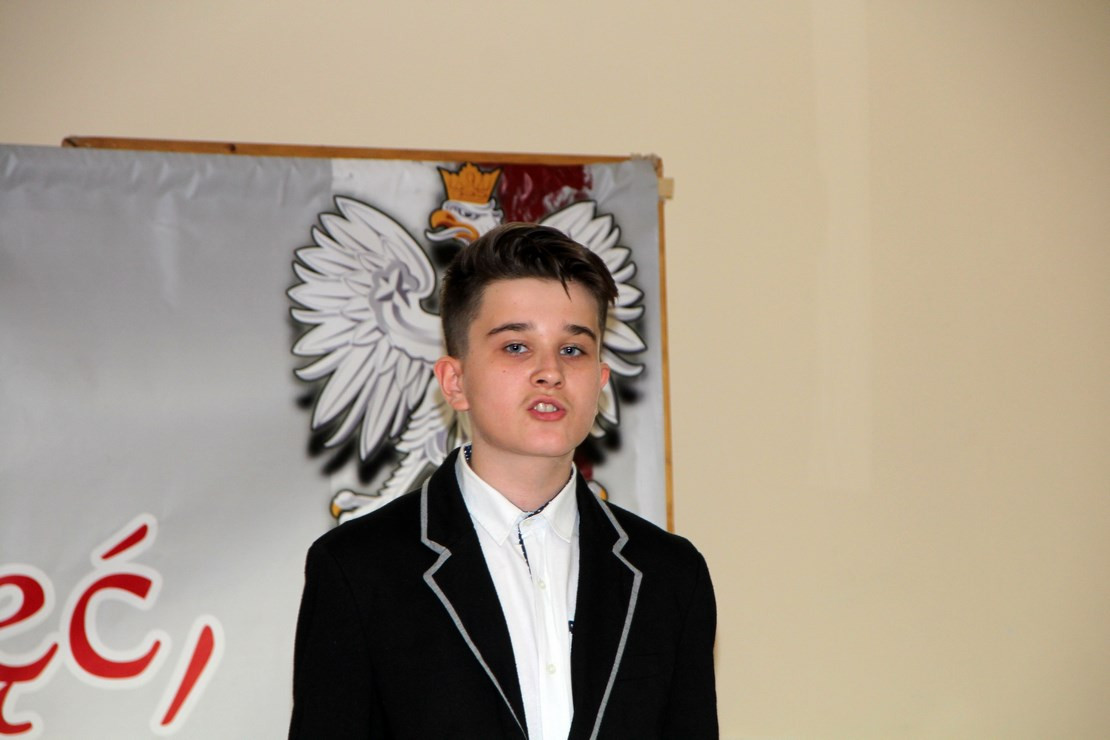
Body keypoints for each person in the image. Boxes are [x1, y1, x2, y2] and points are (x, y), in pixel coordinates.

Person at [288, 223, 717, 739]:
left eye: (573, 350)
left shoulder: (669, 575)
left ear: (600, 382)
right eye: (516, 346)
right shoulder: (359, 570)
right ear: (455, 381)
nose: (550, 372)